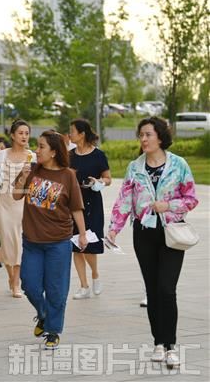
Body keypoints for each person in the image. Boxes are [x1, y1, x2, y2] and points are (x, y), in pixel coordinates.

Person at [107, 116, 198, 368]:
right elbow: (124, 200)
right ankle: (158, 342)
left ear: (160, 137)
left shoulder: (178, 164)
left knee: (167, 289)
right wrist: (114, 229)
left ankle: (171, 346)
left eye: (148, 134)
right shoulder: (135, 167)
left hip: (172, 233)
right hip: (144, 233)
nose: (144, 139)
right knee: (153, 289)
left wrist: (169, 205)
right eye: (141, 135)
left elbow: (191, 198)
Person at [12, 130, 87, 350]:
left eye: (41, 146)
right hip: (32, 241)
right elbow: (16, 195)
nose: (36, 150)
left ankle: (53, 331)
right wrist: (23, 176)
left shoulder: (68, 175)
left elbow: (76, 208)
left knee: (56, 289)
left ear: (53, 152)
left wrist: (82, 234)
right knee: (29, 284)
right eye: (37, 146)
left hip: (58, 242)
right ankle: (43, 313)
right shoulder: (32, 169)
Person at [0, 120, 36, 298]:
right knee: (6, 241)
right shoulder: (2, 155)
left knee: (19, 241)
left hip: (23, 204)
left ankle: (16, 282)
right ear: (12, 135)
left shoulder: (32, 156)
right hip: (4, 202)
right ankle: (11, 276)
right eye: (20, 133)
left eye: (27, 133)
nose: (24, 136)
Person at [69, 119, 112, 299]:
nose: (70, 134)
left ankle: (95, 274)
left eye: (72, 131)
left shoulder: (98, 155)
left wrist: (98, 182)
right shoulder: (70, 155)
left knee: (90, 245)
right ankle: (83, 286)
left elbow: (108, 179)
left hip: (92, 203)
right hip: (73, 204)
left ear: (82, 134)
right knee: (76, 245)